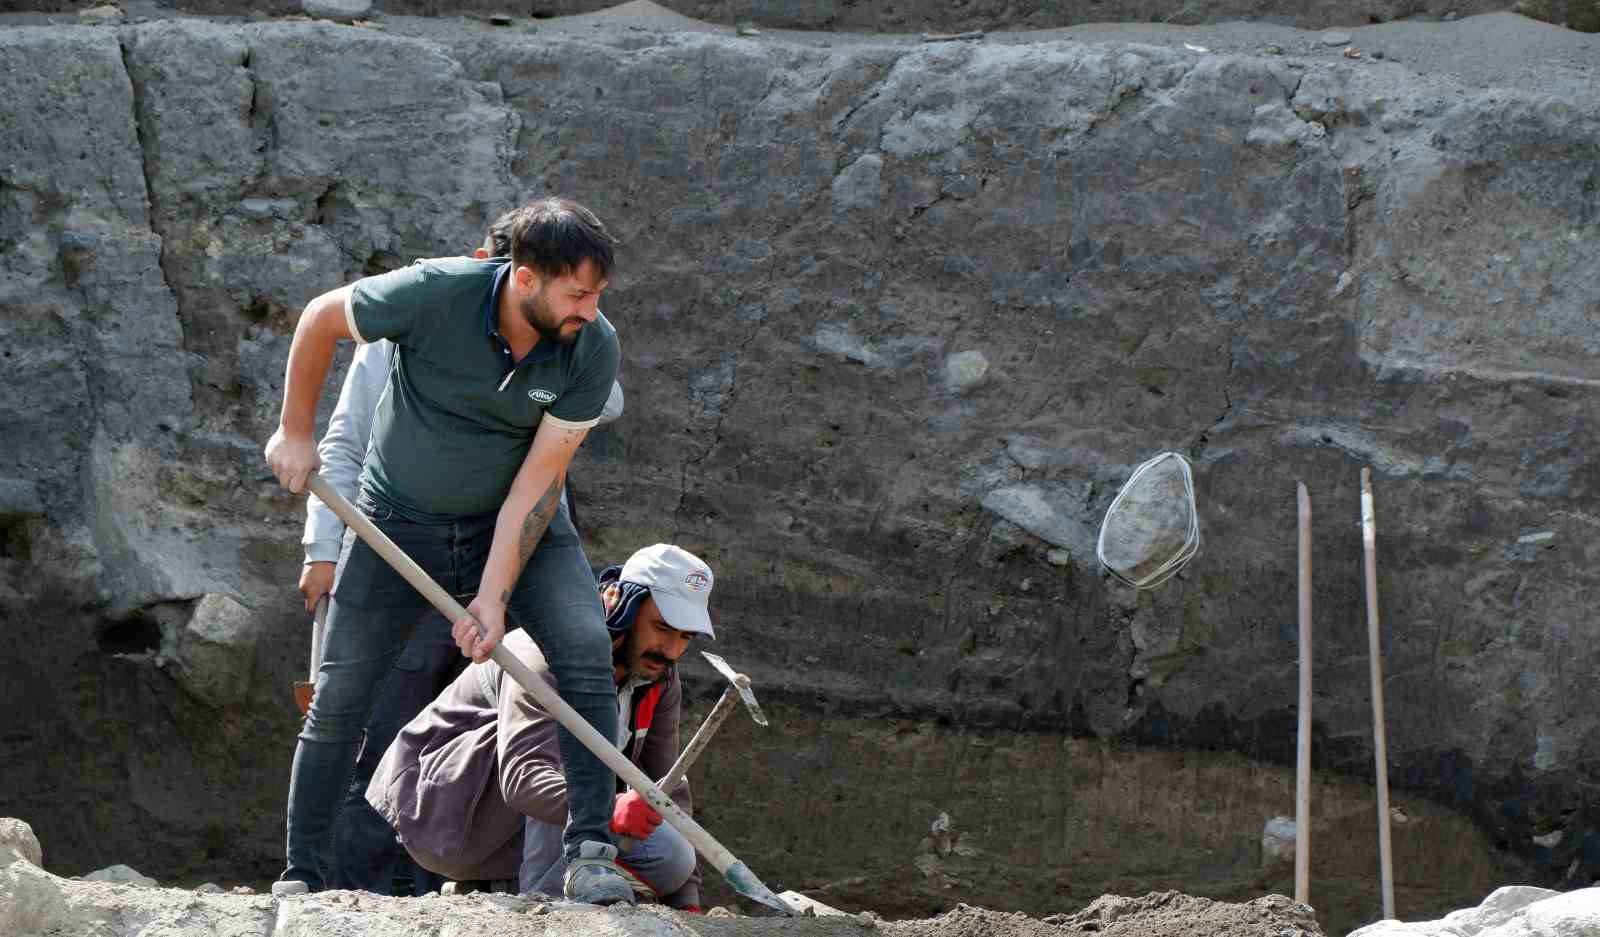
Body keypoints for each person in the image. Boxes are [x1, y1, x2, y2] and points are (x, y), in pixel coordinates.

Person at [264, 197, 633, 904]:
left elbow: (539, 480)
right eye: (577, 293)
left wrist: (493, 597)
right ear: (524, 277)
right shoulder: (432, 293)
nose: (590, 309)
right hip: (398, 525)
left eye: (598, 294)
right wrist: (293, 430)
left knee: (585, 648)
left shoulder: (591, 345)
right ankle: (302, 873)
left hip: (522, 527)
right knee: (341, 697)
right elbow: (320, 318)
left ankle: (590, 850)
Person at [367, 544, 715, 911]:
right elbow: (525, 778)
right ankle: (548, 910)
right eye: (662, 628)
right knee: (576, 752)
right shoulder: (549, 654)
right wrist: (607, 808)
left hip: (520, 825)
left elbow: (666, 786)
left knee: (671, 858)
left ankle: (497, 888)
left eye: (685, 637)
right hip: (440, 812)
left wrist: (686, 901)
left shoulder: (658, 675)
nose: (672, 650)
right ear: (624, 607)